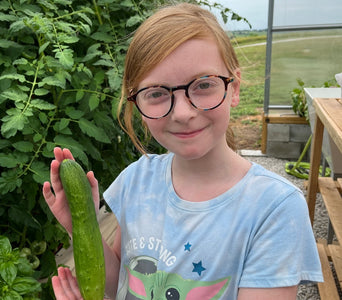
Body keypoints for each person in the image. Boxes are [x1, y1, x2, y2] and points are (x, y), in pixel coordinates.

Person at [43, 3, 323, 299]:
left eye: (203, 85)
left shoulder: (274, 208)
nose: (182, 112)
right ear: (136, 104)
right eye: (157, 93)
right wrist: (81, 225)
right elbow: (122, 283)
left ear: (234, 88)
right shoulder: (136, 180)